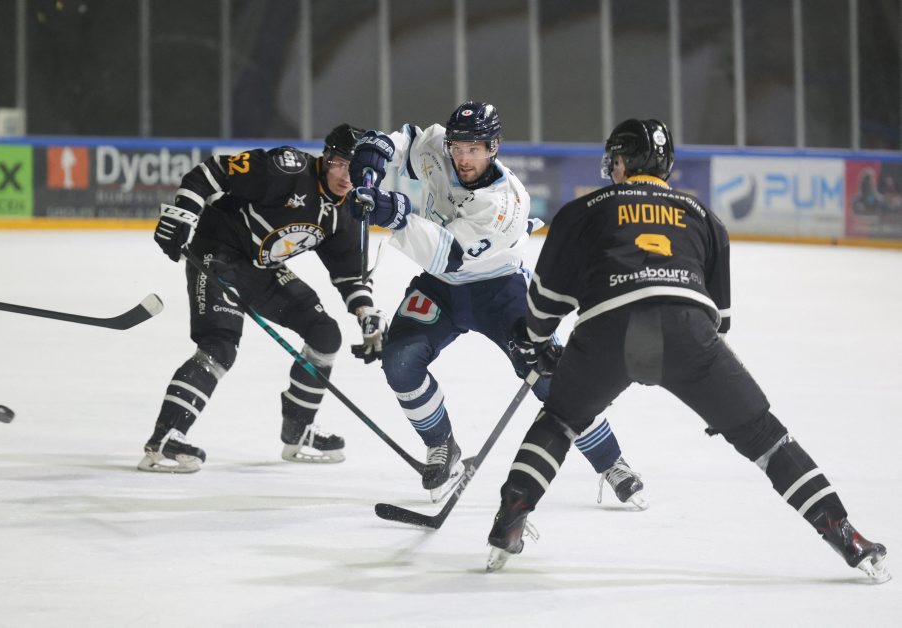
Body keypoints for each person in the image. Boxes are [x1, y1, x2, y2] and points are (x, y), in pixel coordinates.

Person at [483, 118, 891, 583]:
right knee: (766, 436)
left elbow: (543, 305)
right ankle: (846, 534)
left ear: (621, 162)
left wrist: (538, 343)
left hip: (607, 330)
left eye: (614, 161)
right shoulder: (704, 216)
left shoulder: (584, 209)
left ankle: (511, 516)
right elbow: (720, 318)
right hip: (688, 333)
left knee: (559, 420)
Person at [345, 101, 646, 506]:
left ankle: (611, 462)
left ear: (494, 147)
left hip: (499, 290)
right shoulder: (440, 148)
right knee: (399, 361)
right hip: (441, 289)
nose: (464, 158)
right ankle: (442, 445)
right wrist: (374, 155)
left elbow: (447, 253)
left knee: (551, 377)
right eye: (458, 147)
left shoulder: (506, 202)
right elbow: (402, 144)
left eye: (475, 149)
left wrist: (393, 214)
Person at [138, 123, 389, 472]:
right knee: (220, 345)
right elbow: (212, 171)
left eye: (356, 168)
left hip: (259, 268)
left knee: (325, 333)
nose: (348, 176)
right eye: (341, 164)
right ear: (327, 156)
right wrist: (184, 212)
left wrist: (366, 313)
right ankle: (164, 439)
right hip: (217, 251)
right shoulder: (288, 170)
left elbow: (349, 275)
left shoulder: (349, 211)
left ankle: (298, 431)